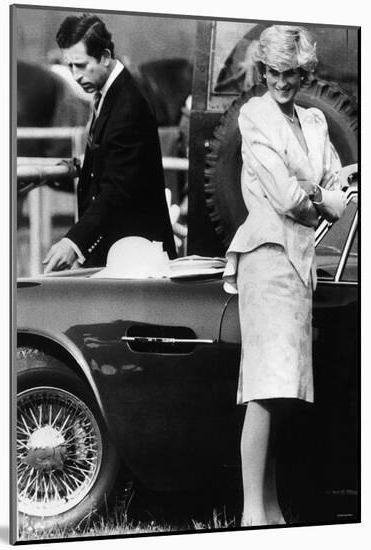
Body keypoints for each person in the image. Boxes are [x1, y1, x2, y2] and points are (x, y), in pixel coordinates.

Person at [222, 25, 347, 526]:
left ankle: (270, 512)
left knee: (282, 395)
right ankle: (253, 515)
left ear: (303, 71)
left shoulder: (314, 120)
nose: (280, 81)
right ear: (262, 70)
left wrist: (324, 190)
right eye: (272, 71)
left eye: (290, 72)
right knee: (267, 390)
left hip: (298, 265)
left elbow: (340, 177)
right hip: (266, 257)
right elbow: (286, 195)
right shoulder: (254, 116)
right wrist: (322, 196)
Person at [43, 14, 176, 273]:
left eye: (81, 65)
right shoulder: (111, 94)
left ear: (104, 56)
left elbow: (117, 188)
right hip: (118, 252)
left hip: (136, 259)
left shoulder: (129, 106)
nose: (75, 76)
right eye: (69, 66)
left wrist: (74, 242)